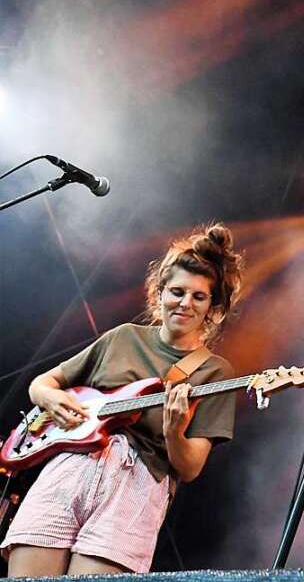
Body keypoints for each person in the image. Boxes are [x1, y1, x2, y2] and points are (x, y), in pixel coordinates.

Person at [1, 223, 243, 577]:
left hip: (135, 482)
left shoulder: (214, 372)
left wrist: (174, 432)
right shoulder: (122, 338)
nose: (185, 303)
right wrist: (51, 398)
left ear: (212, 307)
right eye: (176, 291)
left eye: (199, 296)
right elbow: (42, 383)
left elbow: (190, 468)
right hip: (70, 466)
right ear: (159, 292)